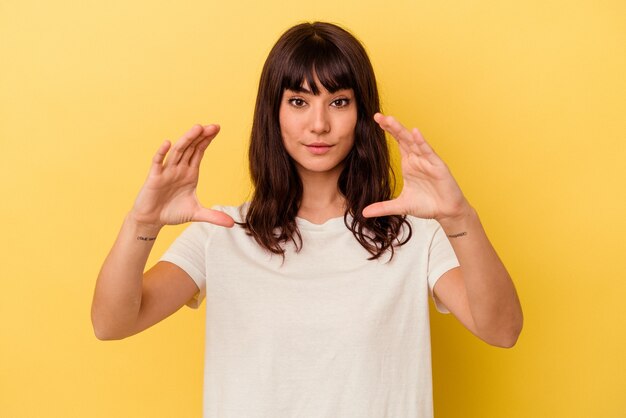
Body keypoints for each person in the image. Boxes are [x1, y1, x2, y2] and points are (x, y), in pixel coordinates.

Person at [92, 21, 522, 418]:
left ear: (362, 114)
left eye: (338, 102)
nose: (319, 124)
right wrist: (142, 223)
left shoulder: (414, 235)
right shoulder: (220, 232)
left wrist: (459, 217)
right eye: (298, 101)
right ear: (273, 113)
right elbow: (112, 323)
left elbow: (502, 330)